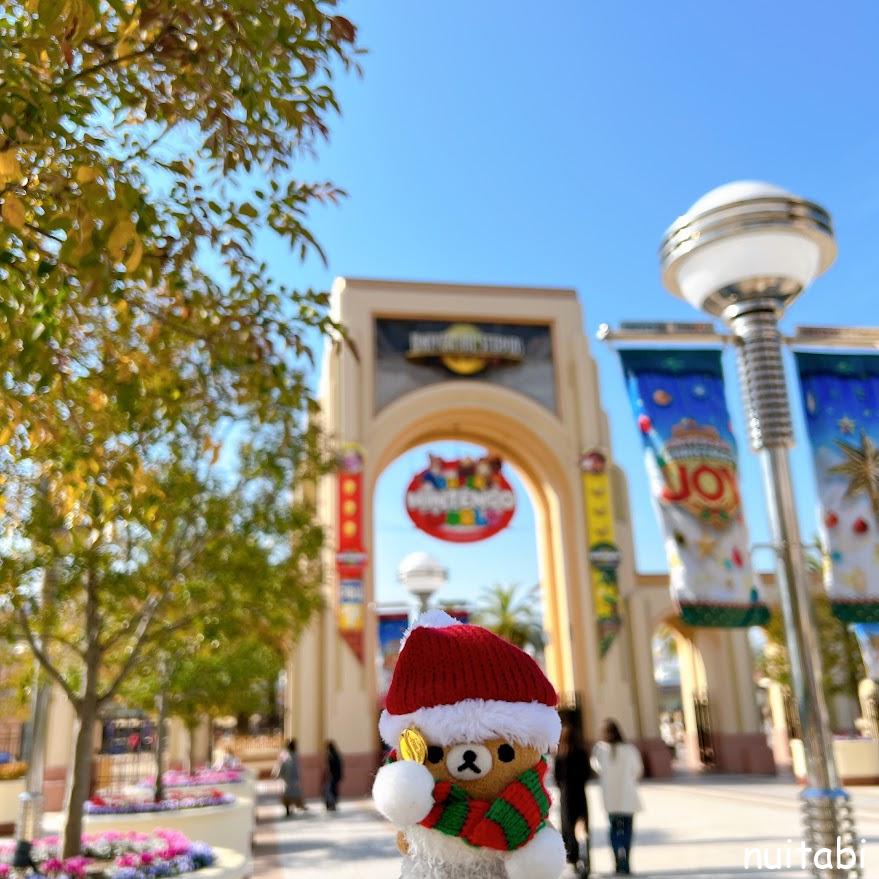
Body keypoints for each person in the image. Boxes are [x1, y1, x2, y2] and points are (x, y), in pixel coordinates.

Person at [590, 719, 642, 876]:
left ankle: (617, 862)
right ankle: (626, 862)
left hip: (610, 798)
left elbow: (596, 767)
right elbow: (638, 770)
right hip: (628, 796)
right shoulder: (630, 749)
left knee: (614, 829)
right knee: (627, 830)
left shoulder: (599, 750)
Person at [553, 721, 591, 876]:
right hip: (580, 794)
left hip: (566, 796)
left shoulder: (560, 755)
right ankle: (586, 860)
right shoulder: (582, 752)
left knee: (568, 828)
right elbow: (587, 774)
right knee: (582, 827)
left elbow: (556, 778)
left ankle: (574, 859)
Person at [273, 738, 307, 817]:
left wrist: (279, 774)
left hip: (287, 777)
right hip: (292, 777)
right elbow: (296, 767)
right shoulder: (294, 755)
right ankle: (293, 807)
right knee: (293, 793)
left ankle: (289, 809)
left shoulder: (286, 754)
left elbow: (281, 765)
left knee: (288, 793)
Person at [323, 740, 344, 811]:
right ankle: (333, 804)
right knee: (334, 790)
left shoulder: (331, 755)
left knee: (330, 790)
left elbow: (330, 767)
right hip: (336, 776)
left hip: (333, 776)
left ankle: (331, 804)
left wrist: (328, 776)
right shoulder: (336, 754)